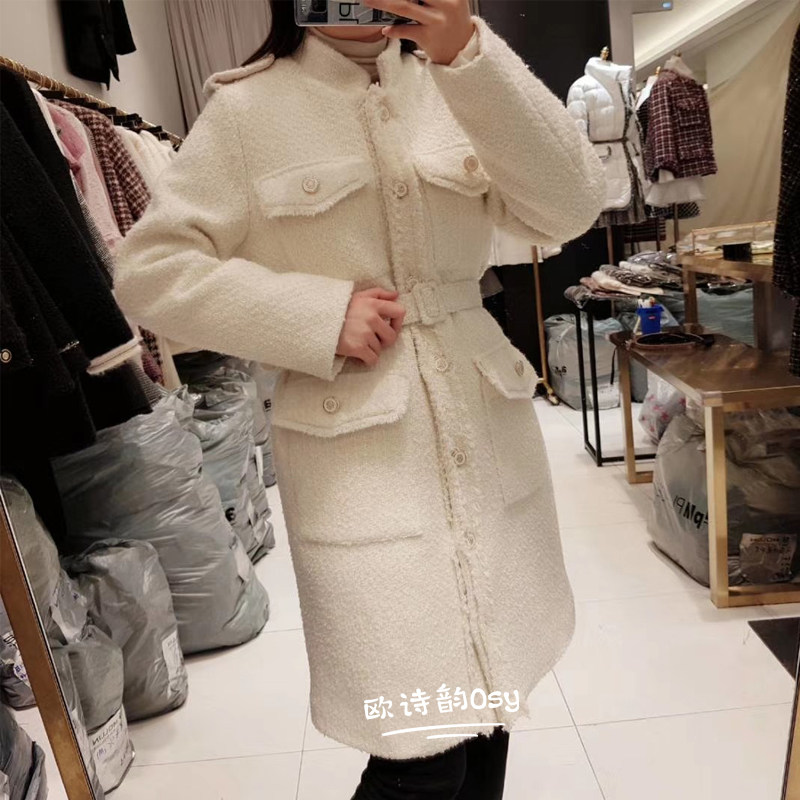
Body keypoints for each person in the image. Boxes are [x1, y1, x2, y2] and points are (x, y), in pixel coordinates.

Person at [115, 2, 604, 797]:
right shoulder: (248, 109)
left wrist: (469, 56)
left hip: (486, 439)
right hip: (362, 463)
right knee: (419, 752)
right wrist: (314, 315)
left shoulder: (457, 80)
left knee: (489, 716)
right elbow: (149, 271)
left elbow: (573, 202)